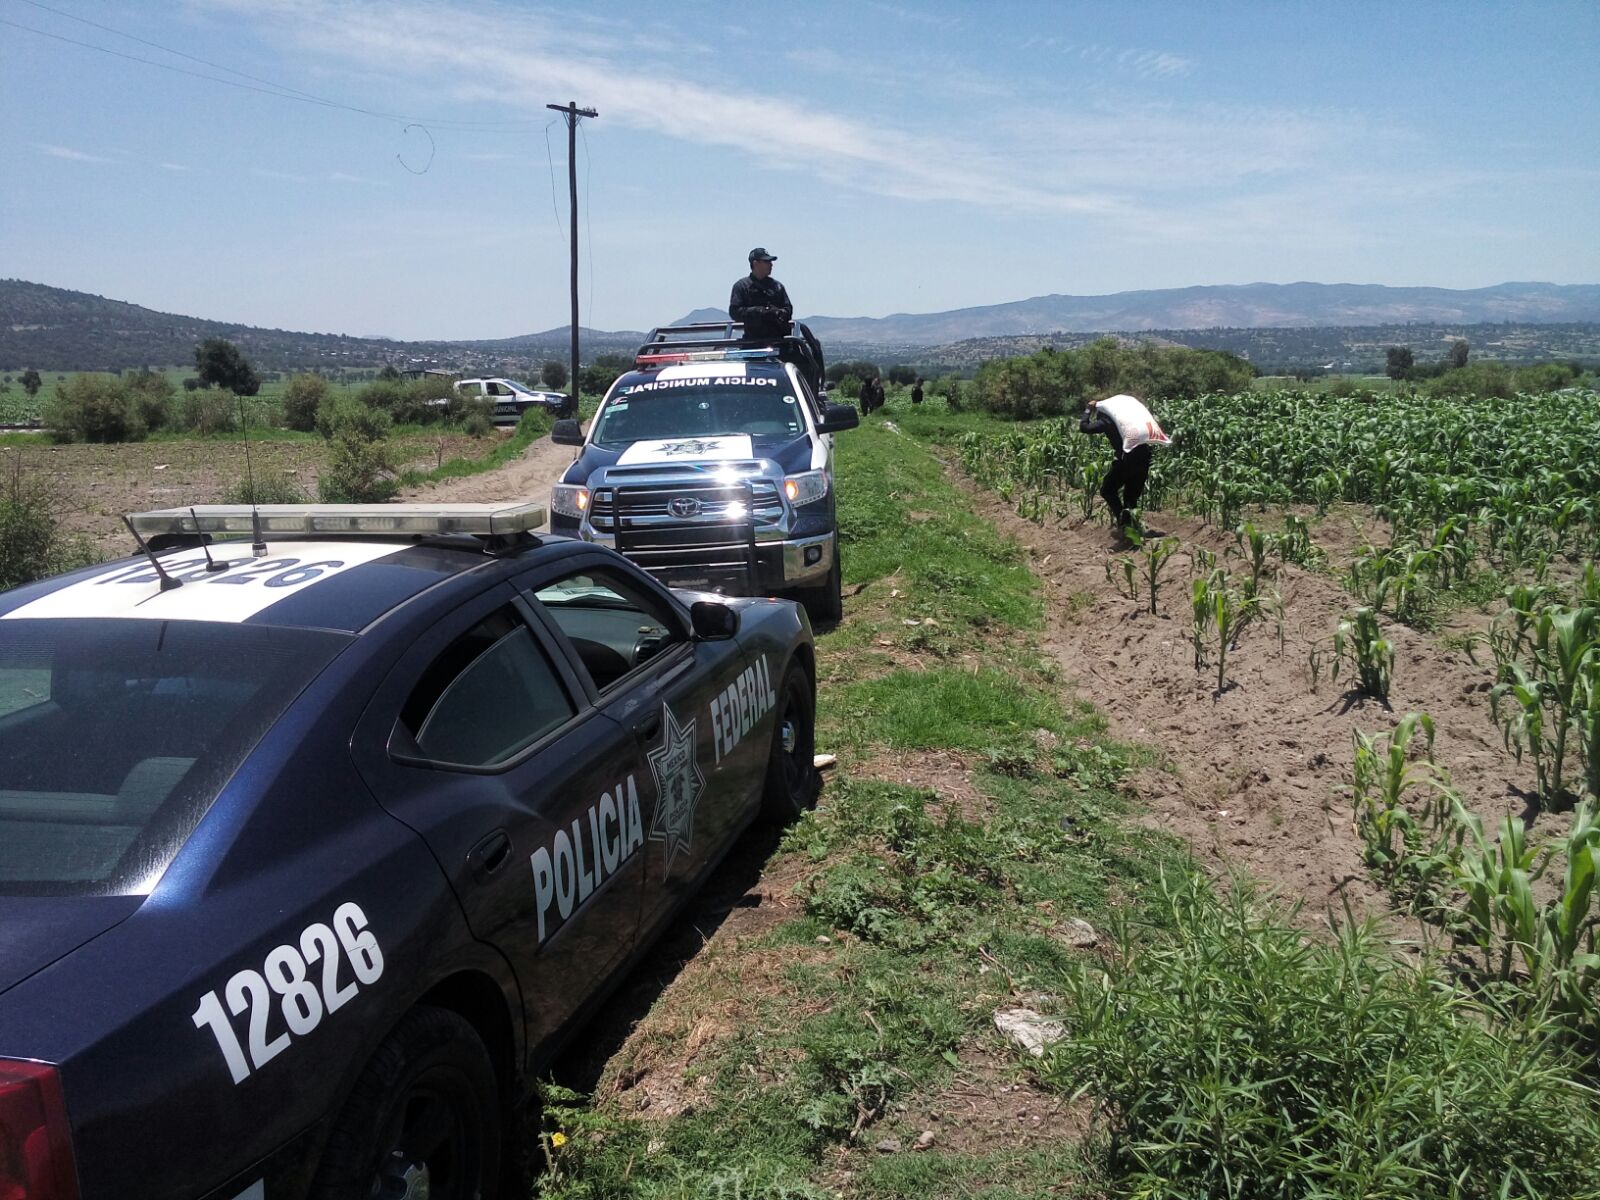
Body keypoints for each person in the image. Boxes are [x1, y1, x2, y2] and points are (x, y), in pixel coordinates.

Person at [1079, 392, 1170, 538]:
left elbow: (1084, 427)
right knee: (1130, 498)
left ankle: (1124, 524)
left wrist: (1088, 410)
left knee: (1107, 490)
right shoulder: (1128, 419)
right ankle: (1132, 529)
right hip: (1144, 458)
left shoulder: (1106, 421)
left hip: (1128, 460)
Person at [729, 248, 793, 340]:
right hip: (753, 342)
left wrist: (778, 312)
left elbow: (788, 309)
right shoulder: (742, 286)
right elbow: (734, 312)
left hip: (780, 342)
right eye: (766, 262)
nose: (771, 265)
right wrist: (759, 311)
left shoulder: (777, 286)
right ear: (755, 263)